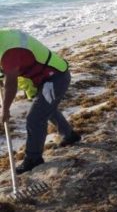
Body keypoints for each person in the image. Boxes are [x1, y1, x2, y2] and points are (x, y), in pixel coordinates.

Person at [0, 29, 81, 174]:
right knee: (46, 110)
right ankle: (69, 136)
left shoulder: (9, 49)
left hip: (54, 78)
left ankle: (33, 159)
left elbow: (11, 83)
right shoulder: (4, 38)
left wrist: (5, 109)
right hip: (42, 78)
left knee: (35, 119)